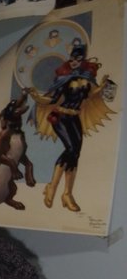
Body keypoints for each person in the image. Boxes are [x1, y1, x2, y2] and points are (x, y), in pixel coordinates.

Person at [28, 44, 113, 211]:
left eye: (78, 59)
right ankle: (52, 187)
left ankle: (67, 193)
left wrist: (102, 86)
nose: (74, 62)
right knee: (71, 149)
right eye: (72, 59)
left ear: (83, 60)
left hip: (74, 118)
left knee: (75, 154)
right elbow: (52, 100)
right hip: (60, 117)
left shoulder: (87, 79)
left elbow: (90, 95)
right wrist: (36, 97)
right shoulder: (64, 79)